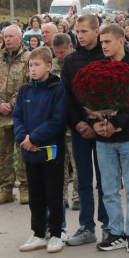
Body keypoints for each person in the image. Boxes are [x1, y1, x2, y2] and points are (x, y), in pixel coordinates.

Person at [93, 24, 129, 252]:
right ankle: (115, 232)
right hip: (104, 139)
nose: (103, 46)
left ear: (120, 41)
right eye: (101, 42)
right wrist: (94, 120)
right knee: (109, 188)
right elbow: (91, 97)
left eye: (107, 42)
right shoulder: (98, 68)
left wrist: (116, 123)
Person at [61, 14, 111, 245]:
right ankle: (86, 227)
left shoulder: (108, 56)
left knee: (105, 180)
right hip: (80, 130)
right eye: (77, 32)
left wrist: (99, 122)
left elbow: (116, 93)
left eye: (84, 31)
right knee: (83, 179)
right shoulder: (71, 61)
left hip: (104, 129)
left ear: (96, 32)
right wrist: (79, 123)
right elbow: (66, 97)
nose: (79, 36)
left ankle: (108, 224)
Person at [13, 47, 68, 254]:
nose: (32, 69)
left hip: (50, 151)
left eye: (37, 65)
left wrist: (34, 137)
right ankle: (37, 233)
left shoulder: (58, 90)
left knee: (53, 194)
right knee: (35, 194)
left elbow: (57, 120)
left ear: (48, 66)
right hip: (30, 151)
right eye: (30, 65)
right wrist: (23, 138)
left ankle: (55, 233)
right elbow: (17, 116)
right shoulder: (25, 90)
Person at [0, 25, 31, 204]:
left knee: (23, 153)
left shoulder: (28, 58)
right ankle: (5, 189)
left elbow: (29, 83)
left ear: (20, 39)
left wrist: (12, 103)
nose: (8, 40)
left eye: (12, 36)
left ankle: (25, 188)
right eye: (6, 37)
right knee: (3, 153)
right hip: (2, 115)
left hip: (21, 114)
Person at [51, 32, 79, 212]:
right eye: (56, 52)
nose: (59, 56)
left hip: (74, 123)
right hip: (57, 126)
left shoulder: (77, 63)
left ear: (70, 47)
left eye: (62, 52)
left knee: (78, 165)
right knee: (58, 166)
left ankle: (77, 196)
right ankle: (61, 197)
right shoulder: (51, 67)